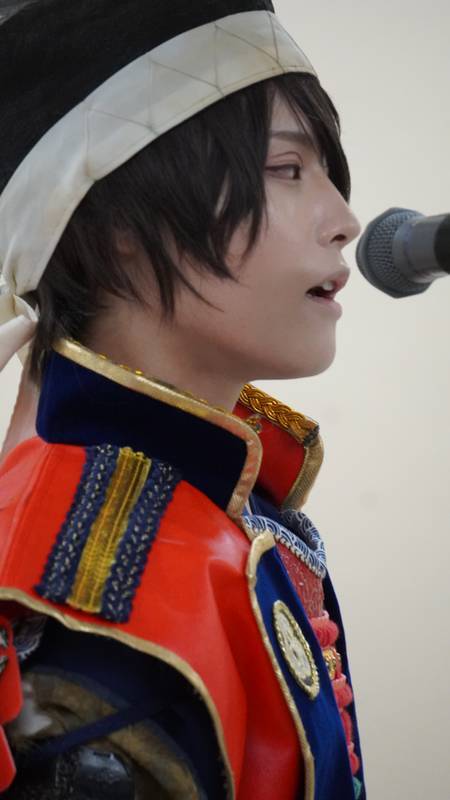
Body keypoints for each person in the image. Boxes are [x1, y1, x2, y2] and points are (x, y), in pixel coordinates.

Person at [0, 1, 366, 798]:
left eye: (329, 174)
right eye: (288, 170)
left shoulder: (232, 501)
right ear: (118, 225)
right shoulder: (84, 598)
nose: (345, 221)